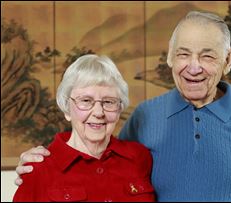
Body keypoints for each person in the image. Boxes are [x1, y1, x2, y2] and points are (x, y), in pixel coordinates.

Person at [15, 11, 231, 202]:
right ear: (170, 58)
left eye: (207, 55)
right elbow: (99, 160)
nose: (193, 67)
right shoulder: (145, 116)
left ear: (228, 60)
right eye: (183, 54)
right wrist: (37, 164)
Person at [13, 55, 156, 202]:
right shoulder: (38, 169)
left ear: (119, 109)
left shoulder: (140, 158)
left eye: (108, 102)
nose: (99, 113)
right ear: (67, 109)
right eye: (86, 101)